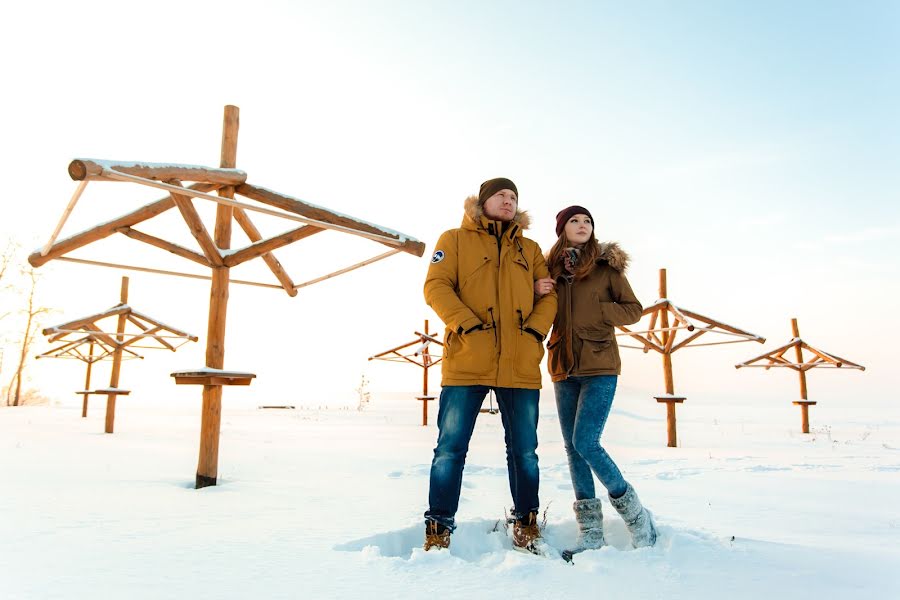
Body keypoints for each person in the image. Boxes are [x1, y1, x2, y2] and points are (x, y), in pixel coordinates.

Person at [423, 178, 557, 554]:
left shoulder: (529, 249)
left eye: (514, 197)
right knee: (450, 448)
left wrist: (533, 331)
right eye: (502, 195)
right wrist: (466, 323)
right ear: (483, 202)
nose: (509, 201)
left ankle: (526, 522)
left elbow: (549, 296)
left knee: (525, 451)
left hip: (520, 363)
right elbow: (436, 287)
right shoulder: (453, 239)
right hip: (468, 358)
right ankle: (438, 527)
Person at [534, 205, 657, 559]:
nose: (582, 225)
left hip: (601, 364)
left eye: (587, 221)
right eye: (575, 220)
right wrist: (535, 289)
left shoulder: (606, 267)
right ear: (562, 229)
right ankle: (591, 535)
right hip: (563, 366)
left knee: (586, 441)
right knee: (573, 449)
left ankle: (637, 518)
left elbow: (633, 309)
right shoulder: (549, 270)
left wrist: (603, 310)